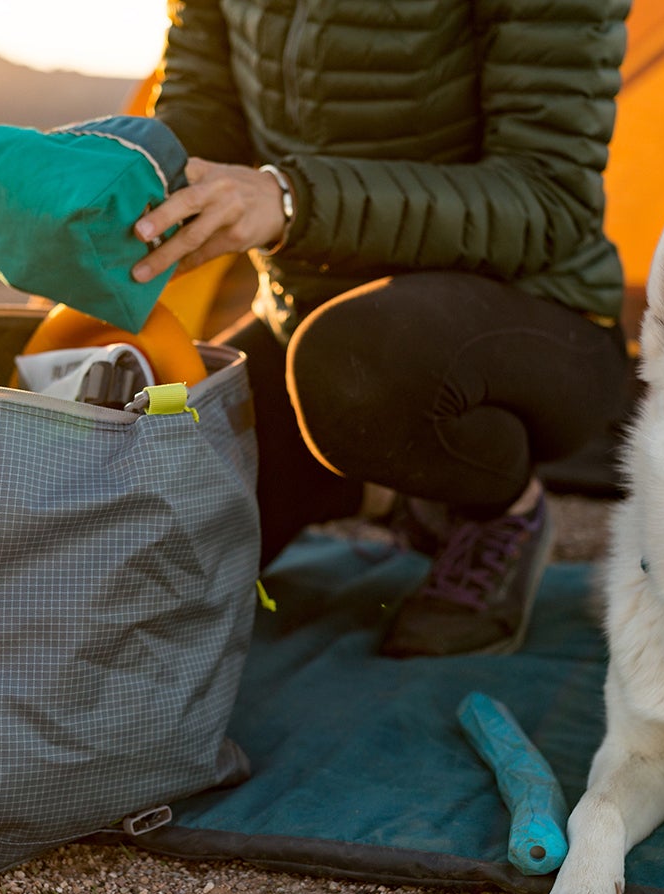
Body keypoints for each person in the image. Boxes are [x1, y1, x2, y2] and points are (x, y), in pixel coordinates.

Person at [137, 0, 634, 658]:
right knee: (148, 554)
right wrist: (120, 171)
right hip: (304, 319)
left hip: (525, 320)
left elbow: (548, 197)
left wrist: (292, 200)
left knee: (353, 365)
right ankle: (394, 494)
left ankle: (502, 509)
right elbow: (204, 115)